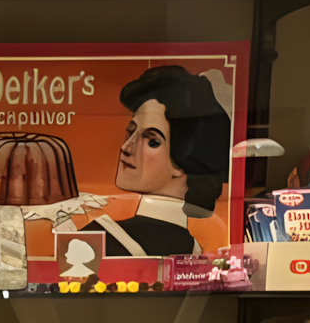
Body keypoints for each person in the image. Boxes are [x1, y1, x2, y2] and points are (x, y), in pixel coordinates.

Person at [86, 62, 232, 260]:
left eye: (152, 141)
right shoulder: (197, 251)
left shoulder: (98, 240)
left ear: (184, 161)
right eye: (131, 131)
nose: (126, 148)